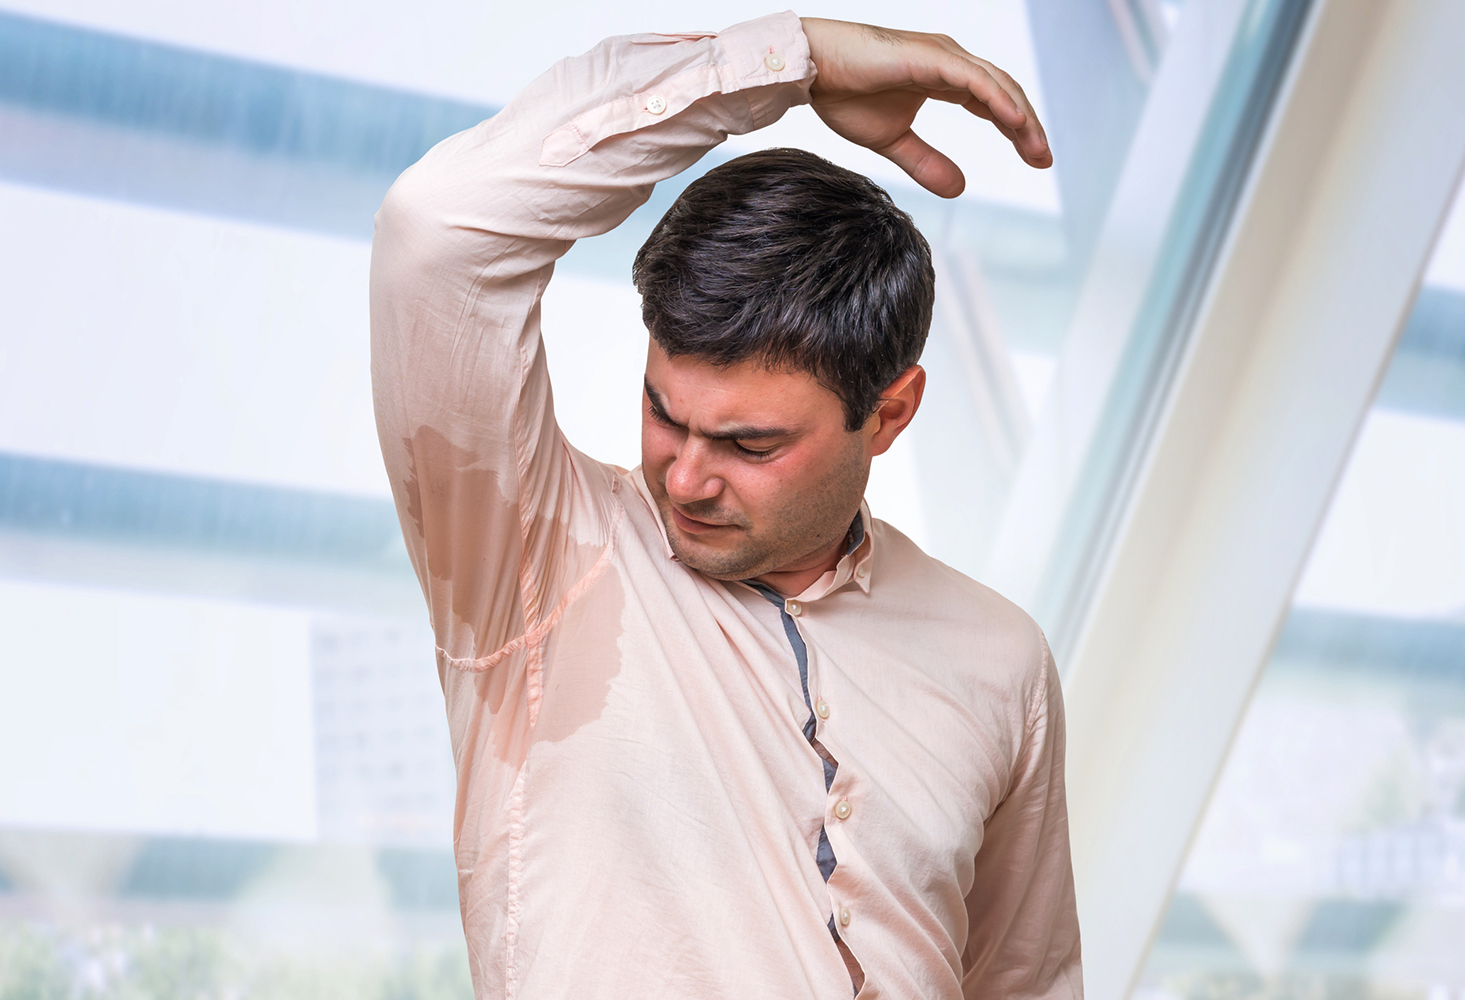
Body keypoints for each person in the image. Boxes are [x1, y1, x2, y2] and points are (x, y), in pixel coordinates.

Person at [370, 12, 1080, 999]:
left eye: (751, 445)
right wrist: (793, 63)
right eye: (665, 415)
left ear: (890, 414)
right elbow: (437, 230)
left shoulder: (1000, 661)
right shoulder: (533, 557)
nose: (687, 478)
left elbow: (1026, 982)